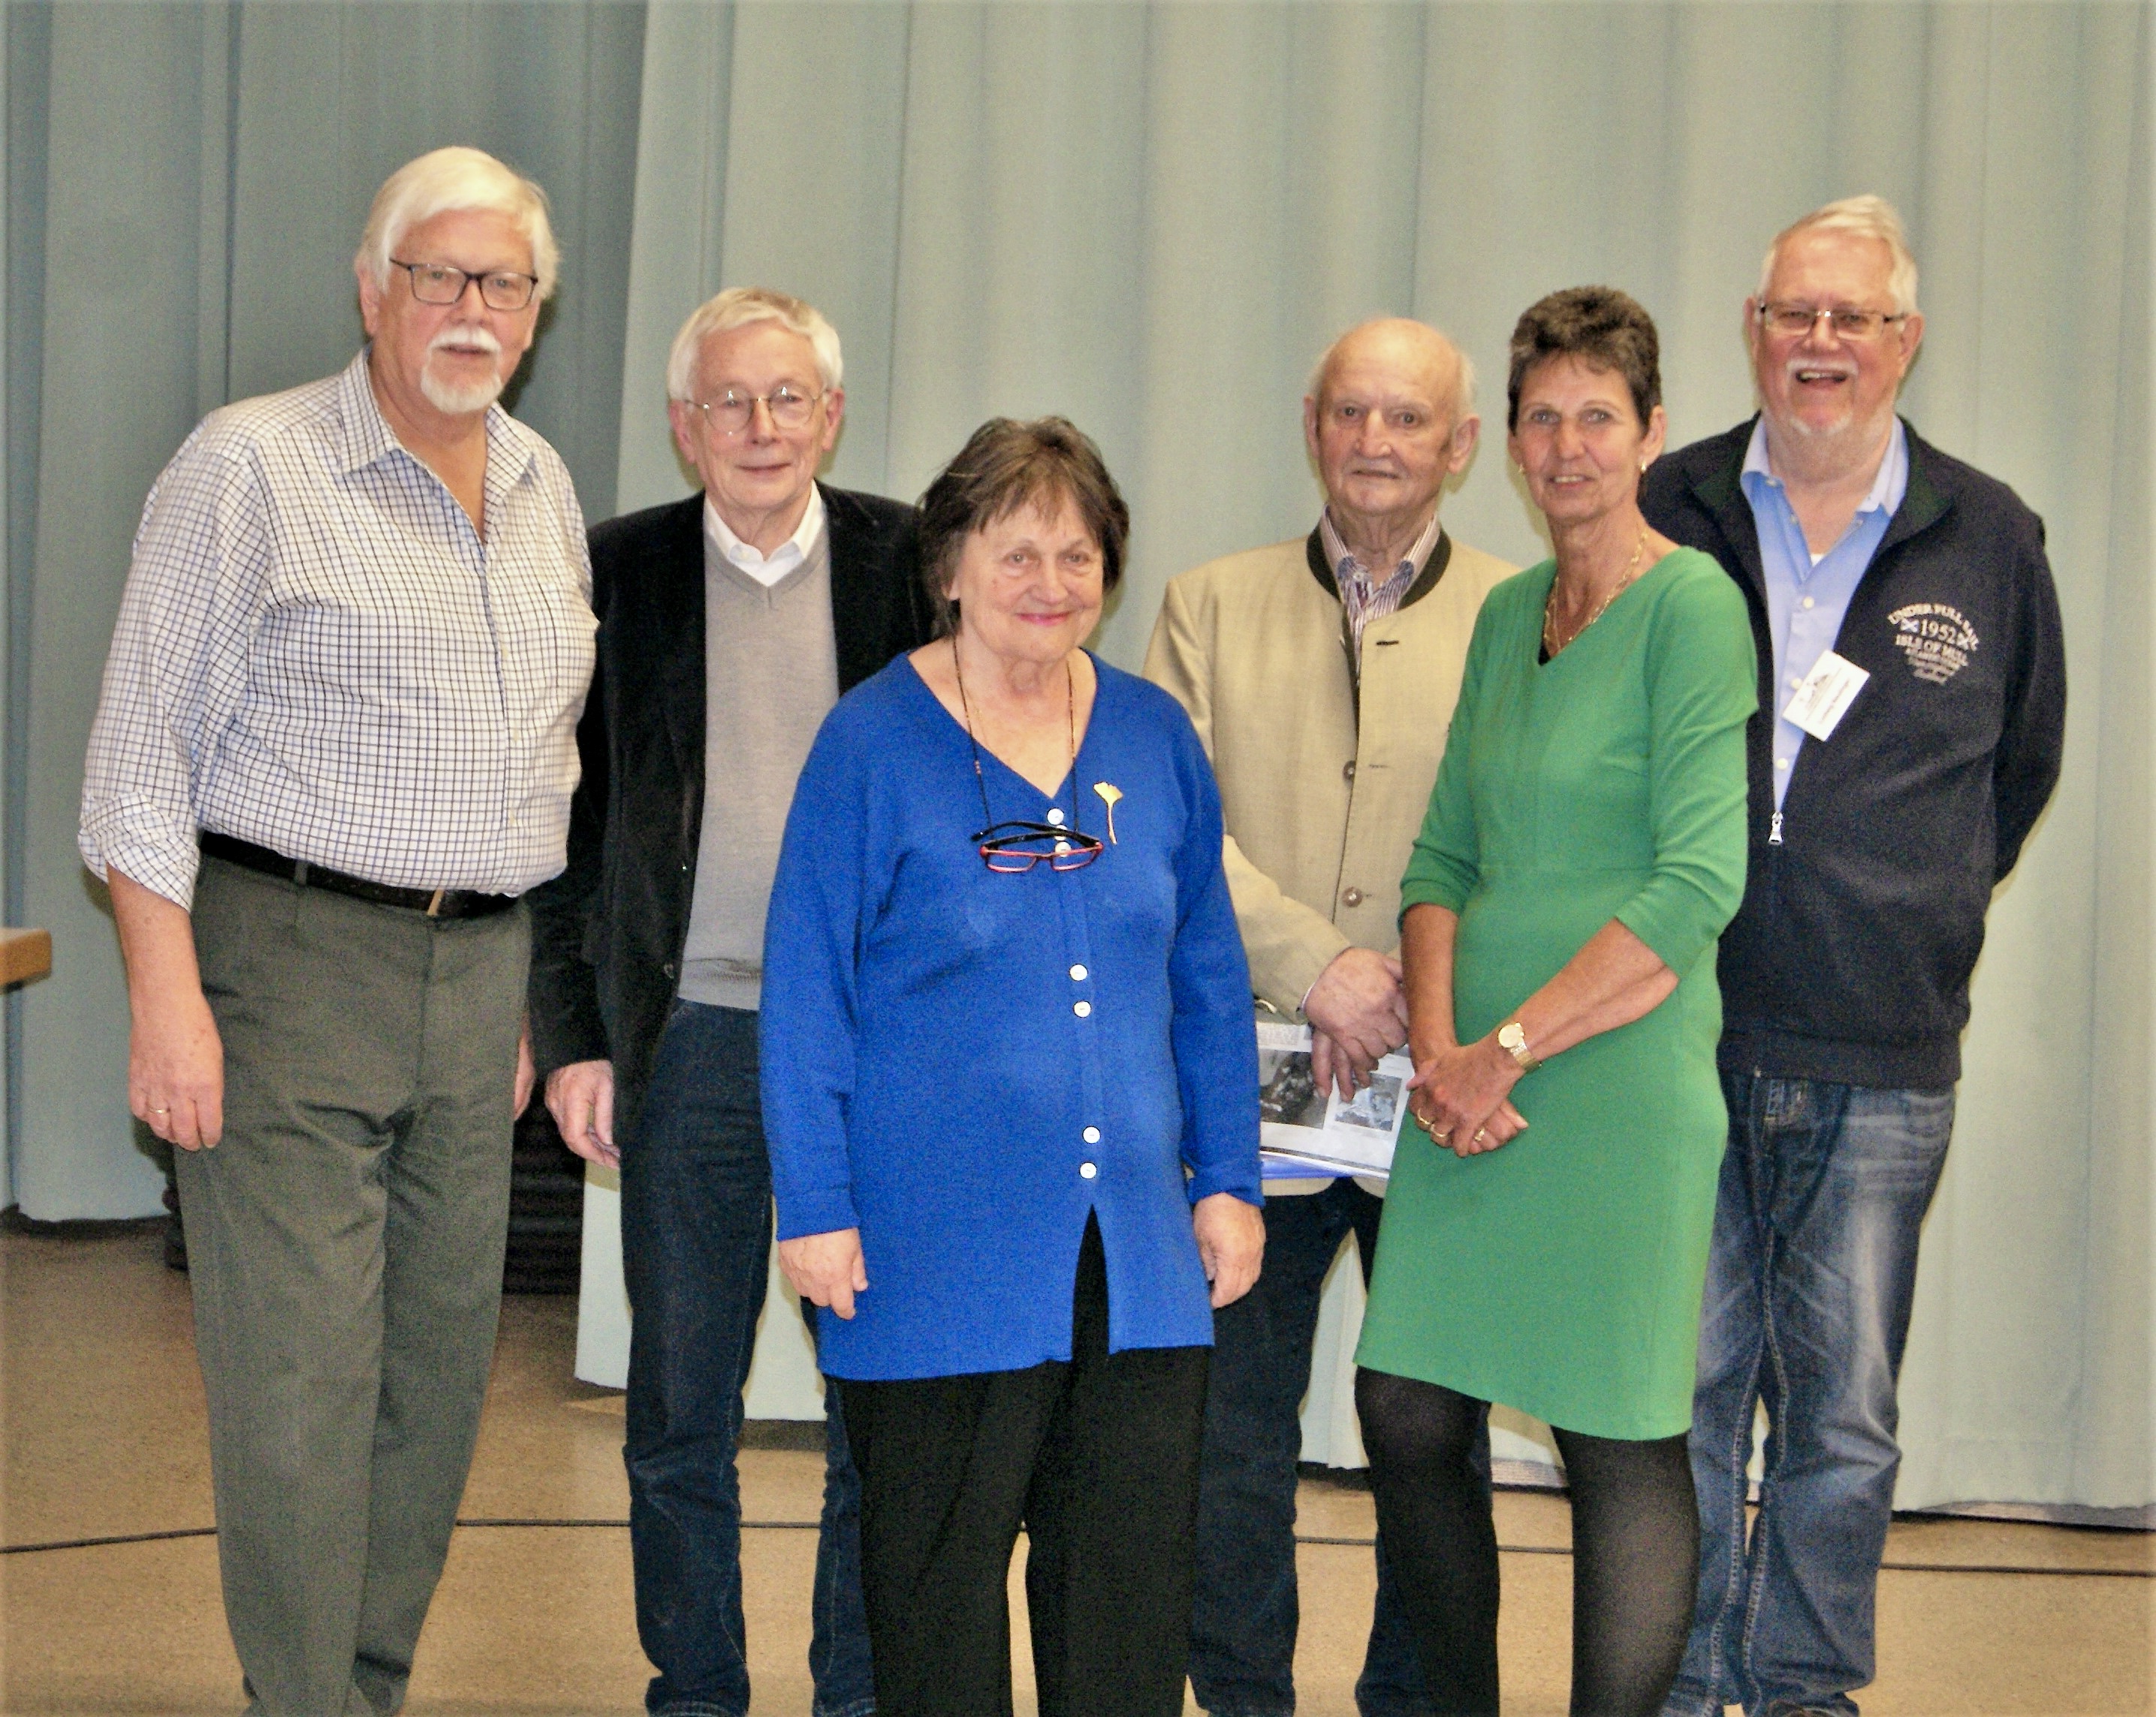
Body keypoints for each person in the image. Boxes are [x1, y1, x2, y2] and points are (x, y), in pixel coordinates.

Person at [77, 146, 595, 1715]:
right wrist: (165, 1002)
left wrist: (518, 993)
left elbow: (540, 760)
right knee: (300, 1390)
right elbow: (139, 761)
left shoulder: (543, 485)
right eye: (436, 275)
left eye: (502, 281)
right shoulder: (250, 467)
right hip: (288, 967)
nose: (470, 307)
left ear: (536, 312)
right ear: (372, 292)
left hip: (479, 980)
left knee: (433, 1389)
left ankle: (358, 1691)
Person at [760, 417, 1265, 1717]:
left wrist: (1229, 1178)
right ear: (950, 566)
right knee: (934, 1606)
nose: (1052, 582)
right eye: (1018, 552)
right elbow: (808, 992)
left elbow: (1208, 979)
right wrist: (814, 1203)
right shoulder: (869, 742)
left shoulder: (1154, 736)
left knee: (1123, 1615)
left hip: (1135, 1255)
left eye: (1078, 554)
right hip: (931, 1248)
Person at [1643, 198, 2067, 1717]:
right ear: (1752, 331)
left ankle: (1803, 1689)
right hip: (1674, 1035)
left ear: (1905, 339)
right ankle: (1685, 1681)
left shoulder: (1989, 534)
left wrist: (1909, 905)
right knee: (1679, 1398)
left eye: (1851, 318)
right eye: (1791, 315)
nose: (1817, 344)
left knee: (1843, 1419)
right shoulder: (1668, 504)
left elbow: (2017, 769)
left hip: (1881, 1054)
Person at [526, 286, 930, 1717]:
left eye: (787, 398)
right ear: (684, 425)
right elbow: (560, 826)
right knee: (678, 1410)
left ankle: (856, 1694)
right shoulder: (609, 572)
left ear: (832, 414)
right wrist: (572, 1036)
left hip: (875, 1051)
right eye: (729, 402)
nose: (761, 426)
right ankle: (696, 1690)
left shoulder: (912, 563)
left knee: (877, 1407)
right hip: (686, 1038)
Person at [1353, 287, 1757, 1716]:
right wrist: (1446, 1052)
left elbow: (1696, 886)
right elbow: (1442, 859)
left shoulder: (1695, 609)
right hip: (1467, 1088)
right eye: (1544, 417)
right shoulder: (1506, 611)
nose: (1569, 446)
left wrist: (1507, 1052)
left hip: (1613, 1084)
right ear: (1509, 441)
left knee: (1614, 1437)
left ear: (1652, 432)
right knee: (1405, 1405)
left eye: (1599, 416)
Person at [1143, 316, 1516, 1717]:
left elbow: (1539, 836)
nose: (1375, 440)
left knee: (1431, 1430)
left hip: (1442, 1079)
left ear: (1460, 445)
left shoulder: (1525, 612)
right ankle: (1245, 1694)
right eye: (1351, 411)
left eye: (1408, 418)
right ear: (1312, 426)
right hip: (1252, 1085)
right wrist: (1320, 966)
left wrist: (1417, 991)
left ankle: (1417, 1699)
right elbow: (1173, 827)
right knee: (1231, 1435)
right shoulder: (1206, 604)